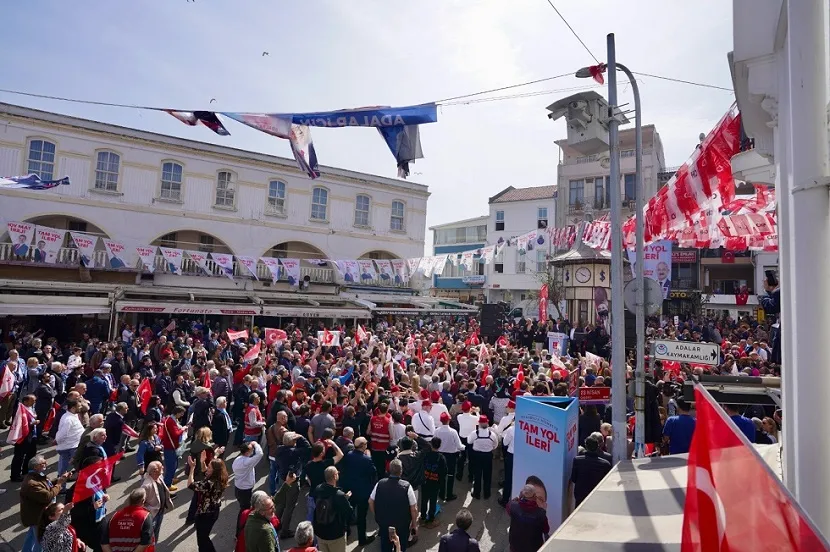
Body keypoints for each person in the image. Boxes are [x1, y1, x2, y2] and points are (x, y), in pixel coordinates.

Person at [369, 459, 419, 552]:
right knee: (400, 546)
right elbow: (414, 508)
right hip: (402, 525)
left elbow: (371, 501)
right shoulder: (407, 486)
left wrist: (376, 515)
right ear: (401, 471)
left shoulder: (380, 483)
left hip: (384, 523)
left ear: (389, 470)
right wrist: (414, 524)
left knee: (385, 547)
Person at [21, 456, 69, 552]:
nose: (46, 464)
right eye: (43, 463)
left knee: (32, 535)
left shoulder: (38, 475)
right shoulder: (31, 484)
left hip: (36, 515)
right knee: (42, 541)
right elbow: (48, 496)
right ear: (35, 467)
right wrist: (59, 484)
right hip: (38, 517)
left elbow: (48, 484)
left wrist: (60, 479)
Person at [337, 436, 377, 545]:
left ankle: (346, 532)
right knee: (361, 516)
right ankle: (362, 539)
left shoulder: (348, 455)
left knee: (348, 512)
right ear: (363, 446)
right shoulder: (367, 459)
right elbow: (373, 472)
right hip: (363, 491)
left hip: (349, 489)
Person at [187, 456, 228, 552]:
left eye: (209, 467)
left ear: (215, 470)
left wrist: (192, 468)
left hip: (205, 514)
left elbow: (190, 484)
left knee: (202, 540)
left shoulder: (209, 483)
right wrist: (202, 462)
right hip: (213, 511)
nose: (207, 469)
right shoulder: (221, 477)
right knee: (204, 537)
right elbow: (205, 471)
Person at [312, 466, 353, 552]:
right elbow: (349, 511)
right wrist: (345, 499)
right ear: (335, 476)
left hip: (320, 532)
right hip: (335, 534)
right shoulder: (339, 495)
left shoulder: (318, 489)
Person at [304, 440, 344, 522]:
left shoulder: (308, 465)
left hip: (312, 494)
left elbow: (307, 478)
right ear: (321, 453)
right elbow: (340, 455)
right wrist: (333, 443)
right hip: (323, 496)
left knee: (310, 518)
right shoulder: (326, 463)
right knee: (322, 517)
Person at [570, 433, 612, 507]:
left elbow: (574, 478)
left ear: (586, 446)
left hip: (581, 496)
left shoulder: (577, 460)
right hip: (598, 496)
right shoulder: (606, 464)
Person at [506, 485, 550, 552]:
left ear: (522, 494)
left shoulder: (513, 507)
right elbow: (546, 530)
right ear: (535, 496)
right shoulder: (541, 514)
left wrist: (518, 497)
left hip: (515, 546)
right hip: (533, 548)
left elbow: (508, 506)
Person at [139, 461, 173, 542]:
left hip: (160, 511)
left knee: (156, 532)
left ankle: (154, 546)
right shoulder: (146, 486)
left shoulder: (159, 476)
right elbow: (140, 503)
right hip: (153, 514)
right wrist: (148, 512)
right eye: (161, 467)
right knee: (150, 534)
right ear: (154, 471)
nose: (163, 468)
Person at [54, 398, 84, 491]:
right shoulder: (68, 419)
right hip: (70, 448)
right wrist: (58, 441)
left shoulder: (73, 416)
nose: (81, 407)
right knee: (65, 469)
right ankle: (61, 488)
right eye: (79, 406)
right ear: (73, 408)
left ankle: (61, 487)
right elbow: (62, 434)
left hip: (71, 446)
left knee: (64, 468)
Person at [232, 441, 264, 526]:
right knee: (244, 510)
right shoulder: (247, 462)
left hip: (238, 487)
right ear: (247, 452)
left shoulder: (237, 459)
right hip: (245, 490)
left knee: (244, 507)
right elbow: (260, 454)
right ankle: (240, 530)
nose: (253, 450)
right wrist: (255, 444)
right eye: (251, 449)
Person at [434, 412, 463, 502]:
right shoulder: (453, 432)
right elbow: (459, 446)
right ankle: (449, 494)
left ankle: (442, 493)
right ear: (449, 420)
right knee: (450, 475)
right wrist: (464, 447)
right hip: (451, 456)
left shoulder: (437, 431)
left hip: (440, 455)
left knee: (441, 475)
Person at [420, 436, 447, 527]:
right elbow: (444, 472)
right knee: (433, 500)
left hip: (425, 481)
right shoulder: (441, 458)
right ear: (439, 446)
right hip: (435, 483)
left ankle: (423, 517)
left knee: (424, 500)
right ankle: (431, 519)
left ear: (431, 444)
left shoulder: (426, 454)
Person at [469, 415, 497, 500]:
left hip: (477, 456)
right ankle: (487, 494)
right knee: (487, 475)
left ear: (479, 423)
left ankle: (477, 494)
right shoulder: (492, 434)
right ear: (487, 423)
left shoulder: (474, 433)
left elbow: (469, 441)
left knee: (477, 475)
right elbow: (495, 445)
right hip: (488, 456)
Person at [161, 405, 187, 491]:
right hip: (170, 447)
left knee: (174, 465)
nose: (181, 416)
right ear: (177, 413)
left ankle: (170, 479)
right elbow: (175, 433)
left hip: (173, 446)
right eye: (181, 414)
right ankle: (167, 484)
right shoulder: (170, 421)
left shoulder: (172, 419)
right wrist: (183, 429)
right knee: (171, 466)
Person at [367, 402, 392, 478]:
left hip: (374, 447)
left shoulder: (372, 419)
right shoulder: (388, 421)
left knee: (375, 465)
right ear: (387, 410)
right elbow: (391, 436)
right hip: (384, 448)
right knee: (382, 467)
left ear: (379, 410)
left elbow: (367, 432)